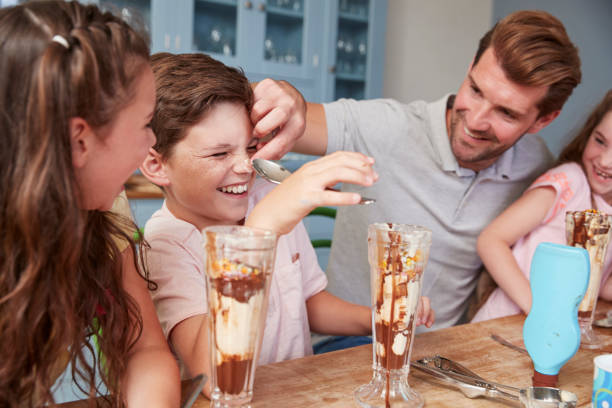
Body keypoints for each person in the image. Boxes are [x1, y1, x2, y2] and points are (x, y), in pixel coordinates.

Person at [253, 10, 582, 330]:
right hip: (347, 346)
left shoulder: (537, 166)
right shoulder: (388, 125)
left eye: (506, 113)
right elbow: (274, 120)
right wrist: (287, 101)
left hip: (441, 356)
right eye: (476, 90)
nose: (476, 120)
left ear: (543, 120)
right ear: (470, 68)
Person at [138, 52, 435, 396]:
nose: (247, 167)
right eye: (219, 154)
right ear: (157, 165)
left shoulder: (264, 197)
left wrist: (379, 316)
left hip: (297, 390)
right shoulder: (164, 244)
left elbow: (308, 302)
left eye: (251, 147)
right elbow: (214, 374)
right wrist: (261, 232)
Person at [0, 1, 181, 406]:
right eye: (145, 123)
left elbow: (146, 350)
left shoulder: (103, 205)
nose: (153, 141)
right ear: (79, 140)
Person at [472, 90, 612, 322]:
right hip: (506, 323)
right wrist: (538, 309)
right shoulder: (569, 181)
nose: (605, 161)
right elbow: (491, 240)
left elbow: (600, 283)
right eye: (600, 141)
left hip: (556, 332)